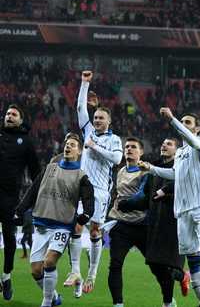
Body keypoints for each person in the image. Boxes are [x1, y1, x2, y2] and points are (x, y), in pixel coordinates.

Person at [138, 108, 200, 307]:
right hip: (182, 211)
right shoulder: (180, 153)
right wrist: (151, 168)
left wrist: (172, 120)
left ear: (197, 128)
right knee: (193, 260)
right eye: (182, 122)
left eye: (188, 122)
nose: (184, 125)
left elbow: (192, 140)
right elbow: (175, 175)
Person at [15, 133, 94, 307]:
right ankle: (55, 298)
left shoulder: (81, 176)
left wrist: (85, 215)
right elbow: (33, 190)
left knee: (49, 261)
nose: (68, 146)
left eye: (72, 145)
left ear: (79, 151)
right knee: (36, 271)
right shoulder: (50, 168)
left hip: (62, 226)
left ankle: (47, 301)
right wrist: (20, 210)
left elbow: (89, 200)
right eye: (66, 144)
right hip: (41, 225)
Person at [65, 71, 123, 297]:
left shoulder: (114, 139)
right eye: (95, 117)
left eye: (101, 118)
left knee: (95, 231)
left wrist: (94, 147)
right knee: (77, 226)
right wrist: (84, 83)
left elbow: (117, 159)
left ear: (108, 121)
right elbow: (80, 109)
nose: (97, 120)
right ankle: (76, 272)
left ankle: (92, 273)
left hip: (100, 191)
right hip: (82, 187)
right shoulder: (88, 130)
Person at [123, 136, 189, 307]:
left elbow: (185, 194)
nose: (164, 145)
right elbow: (146, 197)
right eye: (163, 143)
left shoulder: (181, 168)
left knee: (168, 266)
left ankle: (175, 289)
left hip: (174, 224)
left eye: (169, 144)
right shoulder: (153, 168)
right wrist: (127, 204)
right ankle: (170, 298)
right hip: (154, 223)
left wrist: (167, 195)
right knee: (154, 264)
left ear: (177, 149)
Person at [0, 104, 40, 300]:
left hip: (10, 199)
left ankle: (6, 277)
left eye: (13, 114)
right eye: (7, 113)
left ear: (20, 120)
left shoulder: (25, 142)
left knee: (9, 240)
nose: (9, 116)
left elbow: (36, 175)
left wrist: (33, 202)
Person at [106, 137, 149, 307]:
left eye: (133, 147)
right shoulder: (121, 171)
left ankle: (180, 279)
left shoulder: (145, 171)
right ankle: (118, 304)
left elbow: (143, 197)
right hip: (122, 225)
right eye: (127, 147)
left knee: (157, 265)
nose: (129, 149)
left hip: (142, 225)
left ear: (141, 152)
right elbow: (118, 196)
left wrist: (126, 204)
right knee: (115, 265)